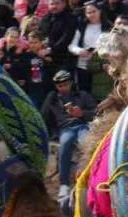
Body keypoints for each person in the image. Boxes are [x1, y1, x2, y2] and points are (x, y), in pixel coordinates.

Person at [41, 69, 95, 208]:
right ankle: (64, 184)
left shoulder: (82, 95)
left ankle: (89, 179)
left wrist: (82, 113)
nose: (62, 87)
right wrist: (49, 98)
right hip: (66, 128)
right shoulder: (53, 98)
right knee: (65, 144)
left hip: (82, 124)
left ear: (71, 83)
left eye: (65, 84)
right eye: (59, 85)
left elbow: (95, 111)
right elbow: (44, 115)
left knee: (86, 143)